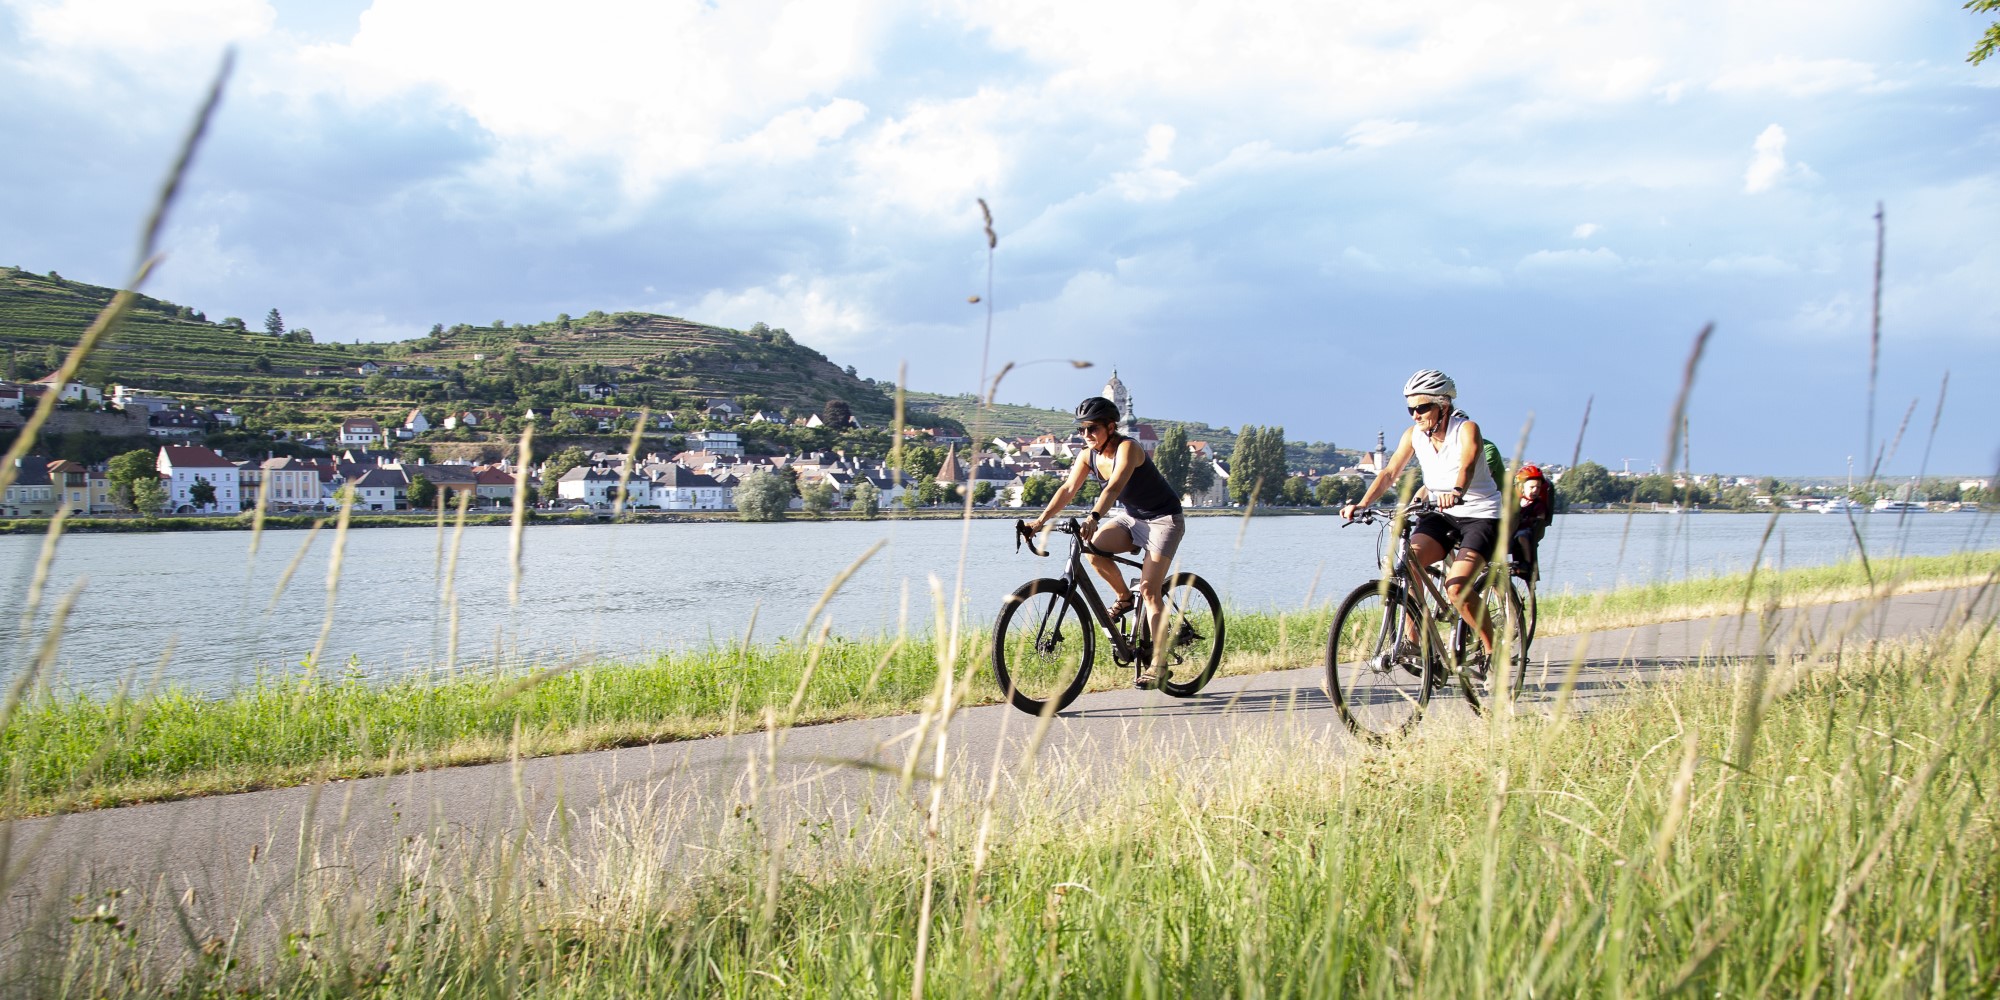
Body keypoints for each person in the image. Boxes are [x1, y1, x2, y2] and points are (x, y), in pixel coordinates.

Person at [1338, 369, 1504, 669]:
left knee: (1457, 588)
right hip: (1440, 515)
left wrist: (1456, 490)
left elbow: (1467, 464)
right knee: (1407, 566)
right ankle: (1414, 644)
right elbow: (1389, 473)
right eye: (1410, 408)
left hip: (1480, 515)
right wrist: (1362, 504)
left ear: (1442, 404)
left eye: (1422, 407)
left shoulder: (1466, 429)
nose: (1415, 414)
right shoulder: (1413, 435)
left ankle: (1494, 653)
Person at [1025, 395, 1187, 689]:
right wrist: (1039, 522)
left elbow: (1114, 485)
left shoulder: (1129, 448)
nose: (1086, 435)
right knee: (1093, 548)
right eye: (1081, 430)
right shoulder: (1088, 455)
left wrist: (1094, 516)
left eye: (1092, 429)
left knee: (1151, 591)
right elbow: (1068, 488)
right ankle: (1125, 598)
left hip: (1164, 520)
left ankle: (1159, 664)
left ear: (1111, 427)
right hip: (1133, 518)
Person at [1511, 464, 1553, 579]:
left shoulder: (1538, 505)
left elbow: (1541, 517)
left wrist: (1534, 519)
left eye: (1538, 488)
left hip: (1529, 531)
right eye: (1532, 487)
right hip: (1516, 529)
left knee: (1521, 536)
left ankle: (1527, 562)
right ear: (1521, 488)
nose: (1535, 490)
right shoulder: (1519, 502)